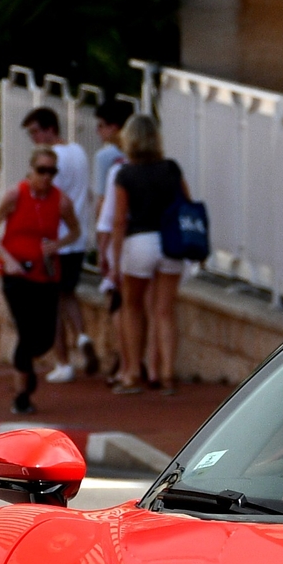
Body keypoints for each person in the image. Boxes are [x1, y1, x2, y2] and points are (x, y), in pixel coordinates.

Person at [0, 144, 81, 414]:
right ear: (31, 170)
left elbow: (75, 231)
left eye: (51, 171)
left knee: (45, 337)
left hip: (46, 274)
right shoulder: (15, 195)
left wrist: (58, 244)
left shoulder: (61, 201)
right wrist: (6, 257)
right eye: (41, 170)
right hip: (16, 275)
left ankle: (27, 370)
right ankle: (21, 394)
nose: (46, 177)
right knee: (26, 331)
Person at [106, 113, 188, 396]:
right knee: (164, 311)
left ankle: (132, 373)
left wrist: (115, 261)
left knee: (132, 307)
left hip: (139, 241)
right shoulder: (171, 168)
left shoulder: (124, 174)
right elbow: (186, 204)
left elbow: (119, 220)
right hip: (170, 243)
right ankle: (166, 375)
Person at [17, 107, 94, 383]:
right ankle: (83, 336)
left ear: (49, 128)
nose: (34, 138)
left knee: (53, 303)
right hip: (77, 238)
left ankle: (63, 362)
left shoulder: (50, 160)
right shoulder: (80, 153)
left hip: (54, 240)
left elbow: (43, 194)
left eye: (35, 132)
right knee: (68, 294)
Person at [90, 98, 133, 338]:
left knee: (115, 297)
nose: (98, 131)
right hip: (140, 232)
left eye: (101, 126)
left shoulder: (106, 157)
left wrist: (101, 242)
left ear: (114, 128)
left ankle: (123, 357)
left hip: (116, 232)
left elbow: (101, 201)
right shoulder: (142, 153)